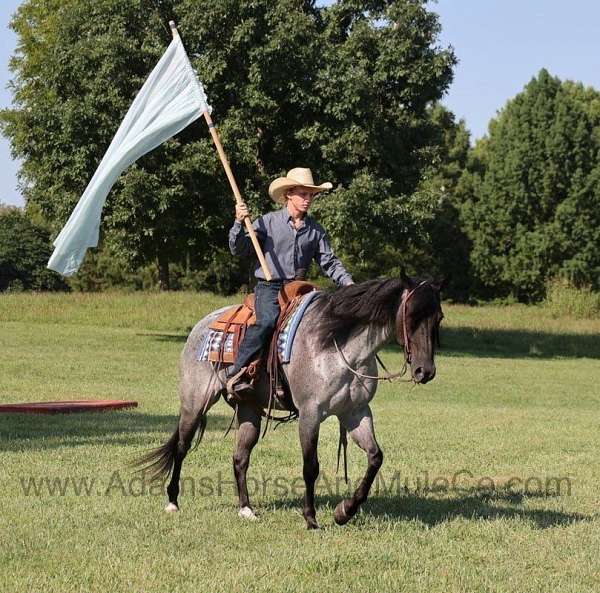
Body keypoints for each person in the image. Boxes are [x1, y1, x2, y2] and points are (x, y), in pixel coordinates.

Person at [222, 167, 354, 396]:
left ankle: (299, 379)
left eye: (311, 195)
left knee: (320, 323)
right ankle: (238, 370)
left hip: (299, 288)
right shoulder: (267, 222)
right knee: (268, 321)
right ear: (288, 195)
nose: (308, 200)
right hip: (269, 287)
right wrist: (238, 223)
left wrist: (350, 285)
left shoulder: (315, 230)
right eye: (303, 194)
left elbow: (330, 263)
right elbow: (239, 249)